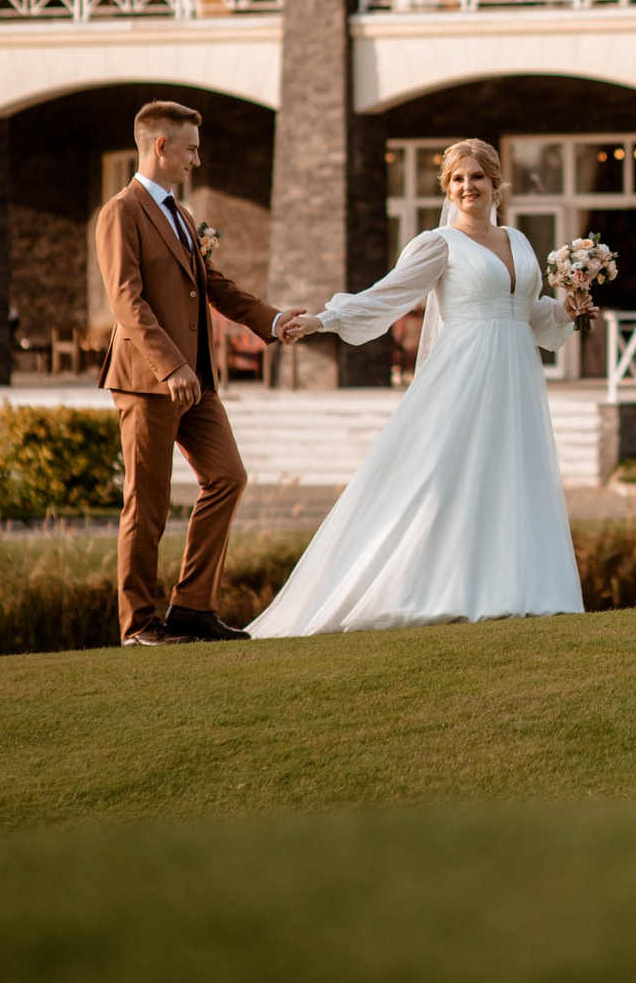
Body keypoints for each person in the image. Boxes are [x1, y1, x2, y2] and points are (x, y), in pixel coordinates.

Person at [246, 139, 597, 636]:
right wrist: (326, 319)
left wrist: (567, 310)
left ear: (496, 182)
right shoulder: (439, 244)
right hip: (465, 376)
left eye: (476, 176)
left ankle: (517, 589)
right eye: (457, 179)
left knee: (509, 472)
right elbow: (388, 295)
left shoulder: (518, 241)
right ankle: (437, 588)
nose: (467, 186)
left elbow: (531, 315)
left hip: (516, 375)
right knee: (441, 478)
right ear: (447, 189)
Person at [94, 100, 300, 646]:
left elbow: (216, 286)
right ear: (160, 146)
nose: (197, 160)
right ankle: (138, 625)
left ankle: (191, 608)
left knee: (228, 476)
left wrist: (274, 320)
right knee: (149, 502)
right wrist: (171, 366)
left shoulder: (182, 216)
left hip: (196, 382)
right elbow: (126, 300)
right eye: (190, 149)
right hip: (147, 379)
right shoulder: (121, 211)